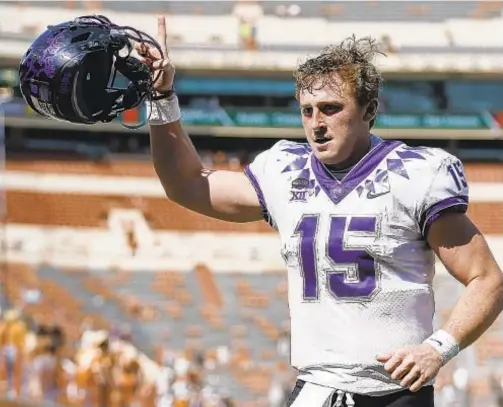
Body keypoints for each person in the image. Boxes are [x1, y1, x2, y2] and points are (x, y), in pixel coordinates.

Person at [140, 15, 503, 407]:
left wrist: (438, 348)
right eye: (307, 110)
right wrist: (162, 98)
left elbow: (486, 279)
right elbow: (188, 185)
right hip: (317, 388)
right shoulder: (284, 170)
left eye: (331, 108)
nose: (316, 124)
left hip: (396, 394)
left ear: (369, 110)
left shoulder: (415, 174)